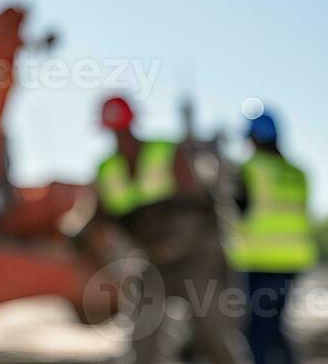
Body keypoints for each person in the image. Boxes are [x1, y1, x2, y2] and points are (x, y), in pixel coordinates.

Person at [94, 95, 247, 364]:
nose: (121, 137)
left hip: (197, 258)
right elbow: (99, 215)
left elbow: (201, 204)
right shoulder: (108, 170)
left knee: (213, 337)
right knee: (143, 338)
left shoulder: (166, 153)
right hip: (154, 260)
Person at [228, 108, 316, 364]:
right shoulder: (297, 173)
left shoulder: (248, 169)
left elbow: (237, 210)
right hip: (293, 261)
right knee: (273, 325)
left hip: (260, 262)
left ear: (254, 137)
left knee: (258, 331)